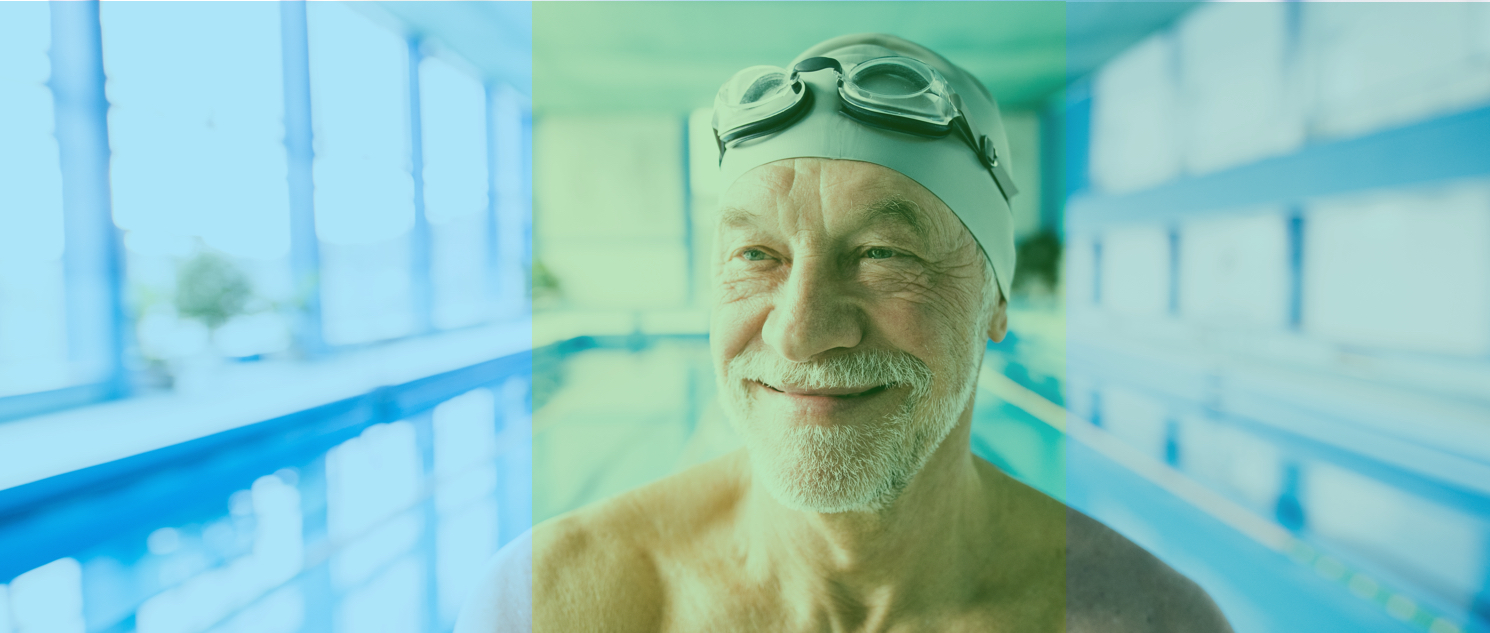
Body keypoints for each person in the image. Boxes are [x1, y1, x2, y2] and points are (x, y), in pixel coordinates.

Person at [455, 33, 1232, 633]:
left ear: (995, 300)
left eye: (881, 254)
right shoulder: (560, 602)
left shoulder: (1145, 617)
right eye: (756, 255)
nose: (798, 330)